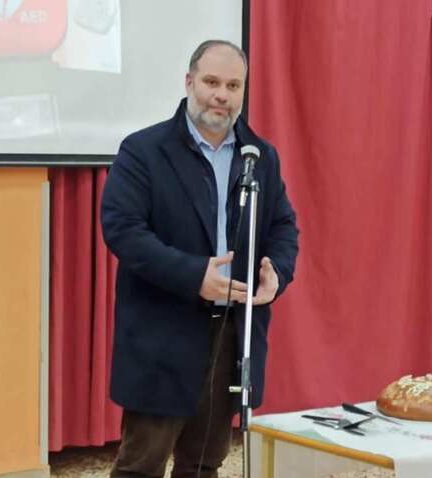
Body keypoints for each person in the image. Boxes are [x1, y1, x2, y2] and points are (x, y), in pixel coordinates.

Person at [100, 40, 299, 477]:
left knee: (205, 463)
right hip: (163, 331)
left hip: (231, 334)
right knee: (141, 465)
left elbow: (283, 226)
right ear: (189, 82)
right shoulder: (144, 150)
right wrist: (194, 275)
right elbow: (122, 229)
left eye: (233, 85)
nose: (221, 95)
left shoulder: (260, 156)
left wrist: (278, 273)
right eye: (211, 82)